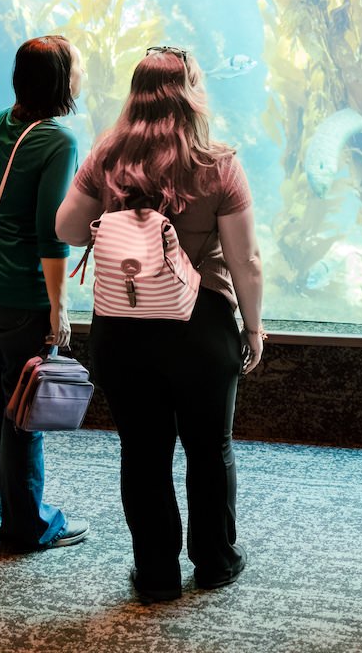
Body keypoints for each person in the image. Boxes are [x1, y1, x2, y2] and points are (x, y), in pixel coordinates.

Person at [56, 45, 265, 604]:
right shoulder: (217, 163)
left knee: (143, 452)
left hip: (123, 329)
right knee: (208, 446)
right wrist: (254, 329)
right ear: (194, 93)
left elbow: (69, 228)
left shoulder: (108, 155)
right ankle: (216, 561)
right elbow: (245, 260)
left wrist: (119, 215)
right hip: (202, 327)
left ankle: (156, 574)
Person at [0, 35, 89, 552]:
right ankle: (28, 525)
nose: (83, 73)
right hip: (25, 292)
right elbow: (50, 231)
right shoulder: (57, 142)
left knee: (4, 386)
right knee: (27, 405)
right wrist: (59, 308)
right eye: (77, 66)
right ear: (60, 81)